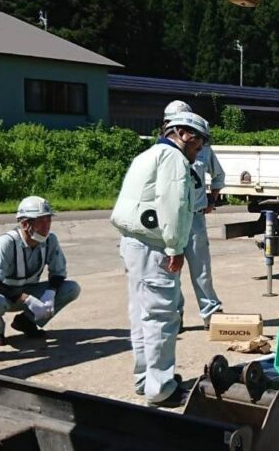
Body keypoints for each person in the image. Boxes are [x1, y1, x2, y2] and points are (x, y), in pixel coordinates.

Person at [110, 111, 210, 407]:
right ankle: (162, 388)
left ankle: (145, 379)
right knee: (162, 317)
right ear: (184, 134)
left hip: (133, 243)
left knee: (141, 314)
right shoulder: (173, 158)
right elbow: (173, 203)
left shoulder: (148, 155)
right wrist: (175, 248)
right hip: (155, 247)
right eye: (197, 145)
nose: (197, 152)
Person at [0, 196, 81, 346]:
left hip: (26, 290)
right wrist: (27, 299)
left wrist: (51, 293)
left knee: (72, 289)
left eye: (48, 220)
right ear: (24, 224)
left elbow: (58, 273)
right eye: (40, 221)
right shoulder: (6, 243)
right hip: (0, 293)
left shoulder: (50, 240)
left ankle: (26, 321)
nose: (47, 226)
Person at [162, 100, 225, 330]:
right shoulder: (162, 152)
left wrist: (211, 199)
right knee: (171, 269)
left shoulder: (203, 150)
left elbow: (219, 176)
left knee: (201, 269)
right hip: (170, 219)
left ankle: (210, 312)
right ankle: (174, 314)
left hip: (195, 217)